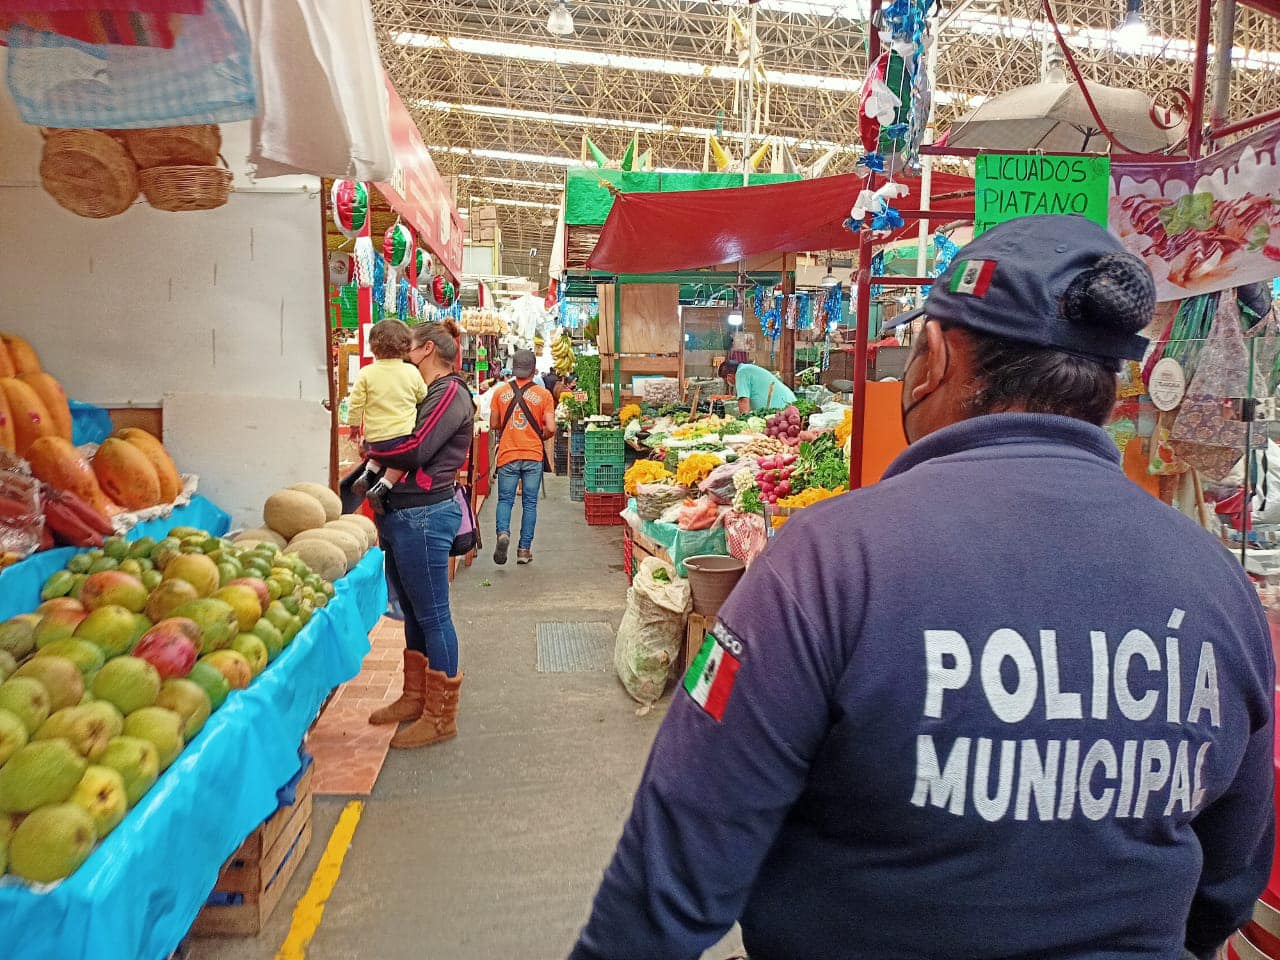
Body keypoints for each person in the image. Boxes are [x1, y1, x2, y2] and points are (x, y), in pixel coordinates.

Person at [570, 216, 1274, 960]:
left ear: (935, 357)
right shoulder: (1218, 587)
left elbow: (672, 874)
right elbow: (1229, 882)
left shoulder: (826, 565)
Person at [364, 320, 475, 750]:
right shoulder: (429, 393)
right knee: (413, 613)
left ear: (426, 349)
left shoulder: (449, 393)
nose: (403, 354)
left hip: (426, 517)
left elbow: (416, 448)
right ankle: (416, 698)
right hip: (407, 515)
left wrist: (374, 447)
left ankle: (440, 717)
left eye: (409, 346)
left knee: (433, 616)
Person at [344, 319, 428, 506]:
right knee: (402, 460)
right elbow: (423, 395)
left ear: (373, 346)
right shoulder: (411, 372)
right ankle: (382, 486)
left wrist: (354, 426)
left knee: (380, 452)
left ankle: (367, 474)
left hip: (374, 439)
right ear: (406, 345)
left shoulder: (366, 373)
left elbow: (356, 403)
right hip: (400, 438)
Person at [490, 348, 555, 565]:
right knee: (529, 503)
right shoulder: (544, 395)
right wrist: (540, 434)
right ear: (534, 369)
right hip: (533, 454)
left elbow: (493, 424)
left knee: (505, 500)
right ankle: (524, 550)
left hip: (508, 453)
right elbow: (551, 428)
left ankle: (503, 534)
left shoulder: (499, 393)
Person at [718, 358, 796, 414]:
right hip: (787, 405)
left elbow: (743, 401)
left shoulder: (741, 373)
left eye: (726, 381)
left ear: (729, 376)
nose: (728, 383)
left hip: (783, 408)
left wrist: (743, 422)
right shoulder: (747, 369)